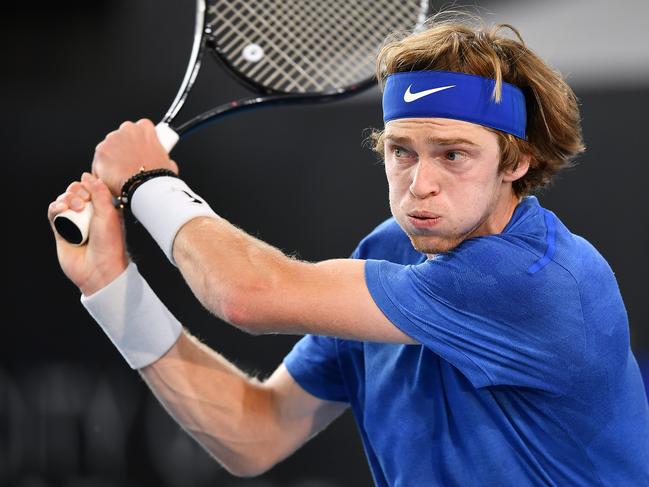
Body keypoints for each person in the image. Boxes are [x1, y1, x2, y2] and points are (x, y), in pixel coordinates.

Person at [48, 14, 649, 486]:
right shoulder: (388, 250)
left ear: (517, 162)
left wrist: (150, 183)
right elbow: (256, 433)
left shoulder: (538, 280)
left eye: (453, 154)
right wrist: (110, 283)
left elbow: (245, 295)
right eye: (401, 150)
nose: (420, 182)